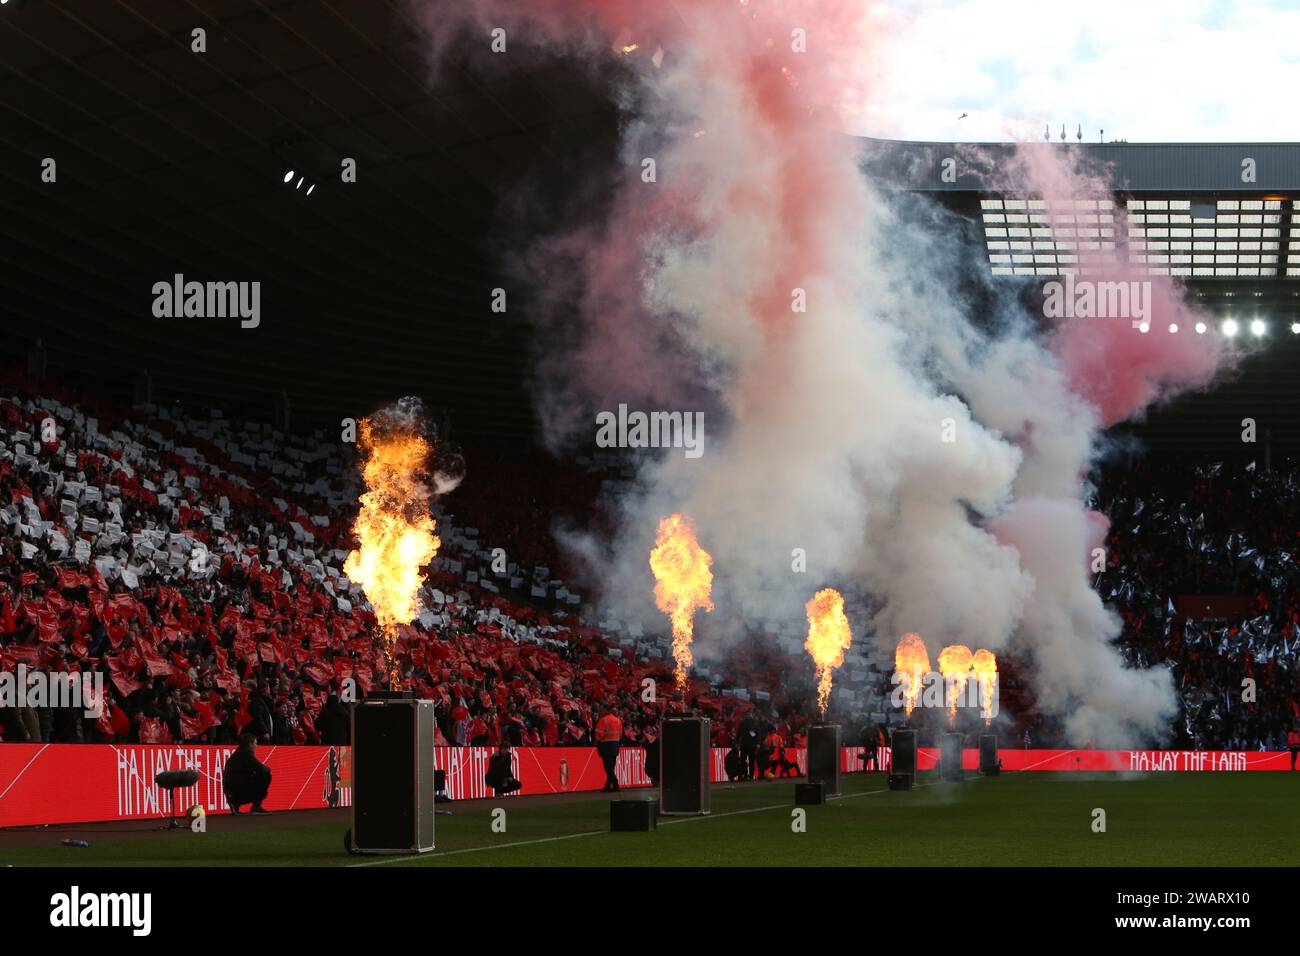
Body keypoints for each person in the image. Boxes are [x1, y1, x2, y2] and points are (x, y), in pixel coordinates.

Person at [223, 733, 272, 814]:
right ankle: (254, 805)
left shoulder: (239, 752)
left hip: (231, 786)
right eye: (255, 743)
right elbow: (261, 768)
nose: (257, 746)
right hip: (235, 787)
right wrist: (267, 769)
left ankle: (236, 802)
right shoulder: (246, 753)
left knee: (260, 776)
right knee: (266, 776)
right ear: (250, 744)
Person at [594, 705, 623, 792]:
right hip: (615, 745)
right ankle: (608, 786)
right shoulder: (617, 720)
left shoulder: (603, 720)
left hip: (606, 746)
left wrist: (597, 741)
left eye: (602, 710)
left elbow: (599, 735)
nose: (600, 712)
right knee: (611, 767)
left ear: (606, 711)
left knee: (608, 768)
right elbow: (621, 734)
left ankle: (615, 783)